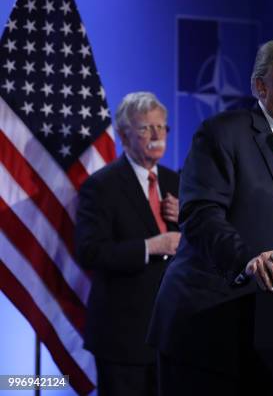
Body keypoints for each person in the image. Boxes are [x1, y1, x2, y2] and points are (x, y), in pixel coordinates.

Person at [147, 38, 273, 395]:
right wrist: (246, 259)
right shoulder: (223, 134)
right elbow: (200, 215)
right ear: (260, 86)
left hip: (265, 334)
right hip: (205, 330)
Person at [75, 92, 181, 396]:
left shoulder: (176, 183)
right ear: (122, 134)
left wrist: (185, 218)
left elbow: (195, 247)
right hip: (121, 338)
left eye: (162, 127)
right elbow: (90, 251)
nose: (157, 135)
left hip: (170, 334)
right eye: (146, 128)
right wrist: (150, 247)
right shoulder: (101, 186)